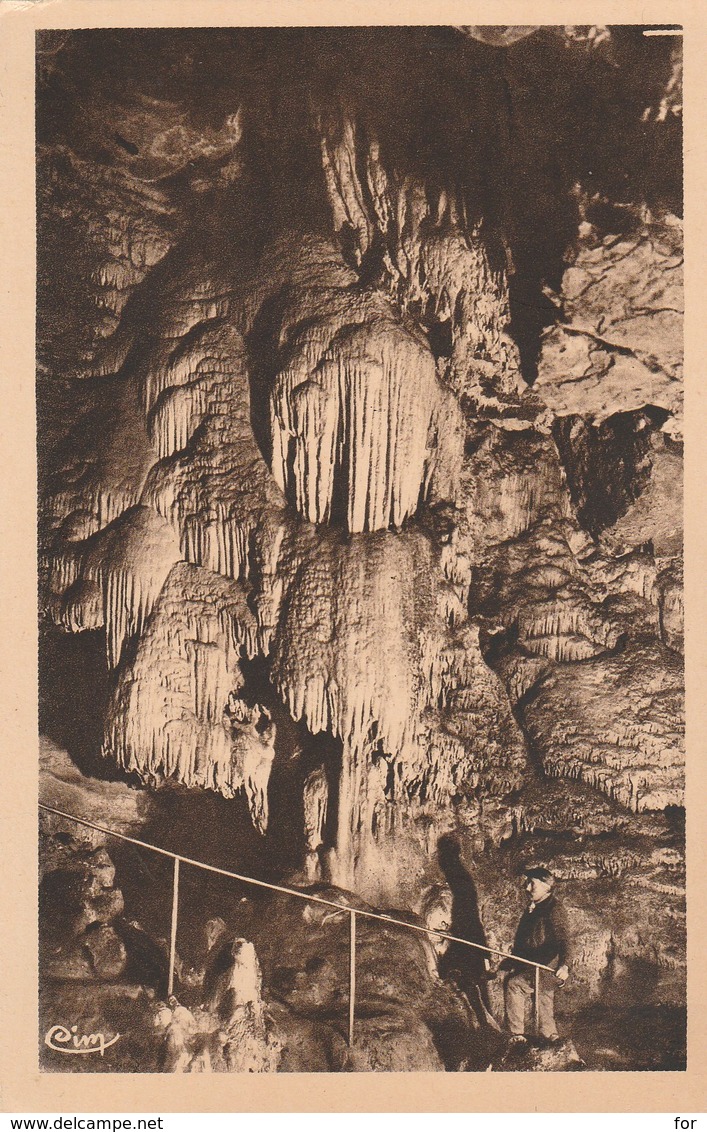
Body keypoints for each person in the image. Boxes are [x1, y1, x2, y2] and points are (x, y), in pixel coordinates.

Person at [501, 866, 572, 1045]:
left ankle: (517, 1036)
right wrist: (505, 964)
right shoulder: (532, 909)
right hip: (533, 966)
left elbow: (564, 939)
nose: (527, 888)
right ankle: (551, 1038)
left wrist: (565, 965)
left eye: (531, 884)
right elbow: (522, 944)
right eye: (527, 883)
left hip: (548, 967)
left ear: (546, 886)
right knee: (542, 1000)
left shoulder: (554, 908)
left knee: (515, 985)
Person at [436, 834, 497, 1028]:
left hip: (467, 940)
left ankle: (484, 1025)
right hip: (469, 938)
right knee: (474, 984)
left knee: (468, 982)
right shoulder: (462, 878)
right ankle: (485, 1024)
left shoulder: (458, 878)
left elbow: (468, 915)